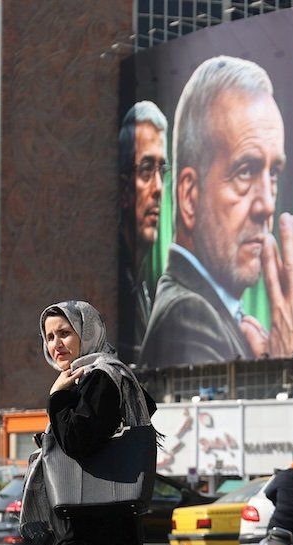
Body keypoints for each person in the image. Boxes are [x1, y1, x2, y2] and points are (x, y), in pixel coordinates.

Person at [140, 55, 293, 368]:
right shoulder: (188, 317)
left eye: (273, 172)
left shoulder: (216, 311)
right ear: (188, 197)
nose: (267, 205)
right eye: (245, 171)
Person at [15, 301, 158, 545]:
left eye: (65, 333)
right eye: (49, 337)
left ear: (87, 331)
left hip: (89, 539)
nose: (56, 344)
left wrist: (57, 398)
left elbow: (78, 440)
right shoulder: (97, 377)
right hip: (103, 532)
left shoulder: (100, 378)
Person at [117, 101, 169, 362]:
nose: (158, 188)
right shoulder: (113, 285)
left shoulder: (144, 292)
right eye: (147, 170)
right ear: (124, 189)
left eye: (162, 170)